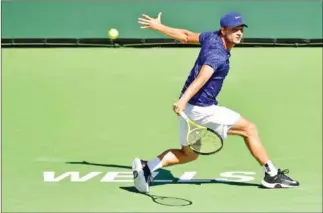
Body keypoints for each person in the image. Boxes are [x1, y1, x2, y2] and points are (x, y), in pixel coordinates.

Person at [132, 11, 300, 193]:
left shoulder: (211, 37)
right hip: (201, 109)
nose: (239, 33)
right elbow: (203, 77)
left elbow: (187, 36)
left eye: (241, 29)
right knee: (249, 129)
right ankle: (272, 174)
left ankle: (146, 168)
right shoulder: (218, 55)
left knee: (188, 155)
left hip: (188, 109)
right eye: (234, 30)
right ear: (223, 30)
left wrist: (159, 27)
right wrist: (183, 99)